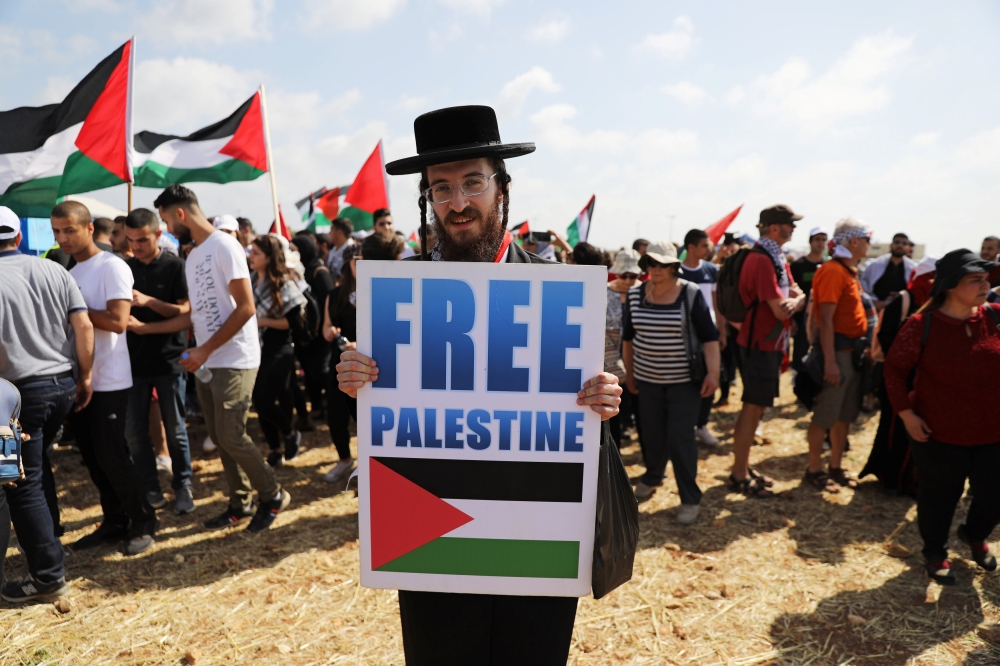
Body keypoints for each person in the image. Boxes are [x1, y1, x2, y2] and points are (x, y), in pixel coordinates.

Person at [337, 105, 621, 665]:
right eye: (441, 189)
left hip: (537, 532)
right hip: (433, 539)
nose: (459, 203)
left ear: (502, 189)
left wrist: (604, 401)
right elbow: (389, 420)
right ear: (426, 199)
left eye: (472, 182)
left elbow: (591, 418)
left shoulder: (558, 294)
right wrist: (356, 382)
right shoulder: (398, 301)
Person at [153, 185, 289, 533]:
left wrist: (204, 349)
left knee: (230, 435)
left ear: (181, 214)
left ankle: (273, 495)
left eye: (167, 220)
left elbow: (246, 308)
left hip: (235, 358)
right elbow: (196, 314)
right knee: (220, 435)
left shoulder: (225, 246)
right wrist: (143, 325)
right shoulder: (195, 254)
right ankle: (239, 502)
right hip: (208, 360)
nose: (167, 229)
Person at [884, 249, 1000, 585]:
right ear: (950, 286)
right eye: (975, 280)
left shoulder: (994, 316)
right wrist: (906, 415)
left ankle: (974, 535)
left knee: (994, 495)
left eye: (985, 279)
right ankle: (935, 552)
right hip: (938, 433)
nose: (985, 285)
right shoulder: (923, 325)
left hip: (993, 431)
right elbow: (894, 371)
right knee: (939, 498)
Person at [53, 201, 158, 555]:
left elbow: (118, 321)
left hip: (111, 378)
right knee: (93, 458)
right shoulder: (70, 271)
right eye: (56, 232)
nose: (62, 238)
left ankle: (144, 521)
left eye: (69, 230)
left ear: (88, 229)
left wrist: (76, 311)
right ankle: (115, 521)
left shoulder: (112, 266)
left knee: (114, 456)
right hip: (80, 377)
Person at [0, 207, 93, 603]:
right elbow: (83, 325)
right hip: (62, 386)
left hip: (15, 396)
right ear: (18, 237)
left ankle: (48, 576)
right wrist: (85, 375)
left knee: (19, 482)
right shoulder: (55, 270)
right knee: (32, 475)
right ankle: (45, 556)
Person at [623, 241, 720, 522]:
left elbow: (710, 337)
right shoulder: (635, 294)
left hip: (684, 382)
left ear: (674, 266)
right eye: (651, 264)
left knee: (680, 439)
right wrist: (630, 374)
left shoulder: (689, 293)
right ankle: (653, 477)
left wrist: (713, 374)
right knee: (651, 434)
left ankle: (690, 498)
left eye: (663, 264)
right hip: (646, 380)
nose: (656, 269)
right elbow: (629, 339)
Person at [729, 205, 806, 498]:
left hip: (764, 344)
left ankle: (743, 467)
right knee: (752, 408)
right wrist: (800, 300)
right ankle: (738, 473)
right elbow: (780, 307)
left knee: (756, 408)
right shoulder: (763, 260)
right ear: (775, 227)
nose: (794, 229)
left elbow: (792, 292)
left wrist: (795, 298)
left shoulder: (774, 256)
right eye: (791, 224)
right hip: (758, 346)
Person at [122, 208, 195, 515]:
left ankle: (183, 486)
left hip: (169, 363)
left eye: (141, 240)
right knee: (135, 434)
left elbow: (184, 313)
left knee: (176, 429)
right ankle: (150, 488)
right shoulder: (123, 268)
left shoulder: (175, 266)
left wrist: (146, 302)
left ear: (157, 235)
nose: (136, 246)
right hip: (133, 365)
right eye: (130, 240)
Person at [803, 218, 871, 493]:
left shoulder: (846, 271)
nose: (869, 244)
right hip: (839, 353)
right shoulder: (833, 271)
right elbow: (826, 320)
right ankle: (814, 469)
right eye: (866, 239)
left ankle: (835, 465)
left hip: (851, 352)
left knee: (844, 415)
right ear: (853, 242)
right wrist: (830, 361)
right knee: (825, 415)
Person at [860, 254, 936, 495]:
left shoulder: (938, 304)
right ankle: (890, 478)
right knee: (893, 427)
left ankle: (909, 479)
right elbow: (886, 337)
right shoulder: (903, 300)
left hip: (923, 381)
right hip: (899, 378)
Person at [248, 235, 308, 468]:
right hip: (256, 347)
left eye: (256, 254)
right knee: (262, 400)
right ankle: (275, 449)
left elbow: (294, 323)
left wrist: (264, 322)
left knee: (263, 400)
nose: (251, 257)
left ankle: (290, 433)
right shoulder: (251, 280)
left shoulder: (283, 282)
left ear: (269, 258)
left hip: (279, 348)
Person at [680, 228, 723, 447]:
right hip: (684, 339)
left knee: (711, 378)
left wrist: (721, 331)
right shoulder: (676, 272)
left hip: (708, 336)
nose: (709, 249)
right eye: (705, 245)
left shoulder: (711, 270)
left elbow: (716, 303)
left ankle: (702, 425)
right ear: (691, 247)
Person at [290, 234, 335, 420]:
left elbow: (329, 303)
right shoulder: (300, 273)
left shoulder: (320, 272)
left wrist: (324, 327)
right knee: (309, 371)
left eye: (295, 251)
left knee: (321, 372)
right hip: (305, 334)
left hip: (320, 335)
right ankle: (317, 406)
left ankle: (333, 405)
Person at [606, 250, 641, 447]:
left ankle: (630, 422)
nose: (628, 280)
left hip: (636, 349)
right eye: (624, 275)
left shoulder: (645, 291)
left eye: (633, 276)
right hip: (609, 350)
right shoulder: (605, 290)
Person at [790, 227, 827, 372]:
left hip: (822, 319)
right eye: (817, 239)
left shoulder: (828, 266)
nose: (821, 243)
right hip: (801, 319)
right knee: (800, 353)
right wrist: (792, 319)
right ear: (810, 242)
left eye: (824, 239)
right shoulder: (798, 266)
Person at [860, 232, 917, 310]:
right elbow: (864, 285)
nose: (900, 245)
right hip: (876, 309)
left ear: (908, 247)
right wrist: (874, 302)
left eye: (904, 243)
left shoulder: (913, 268)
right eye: (897, 242)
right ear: (891, 245)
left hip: (901, 312)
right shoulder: (875, 265)